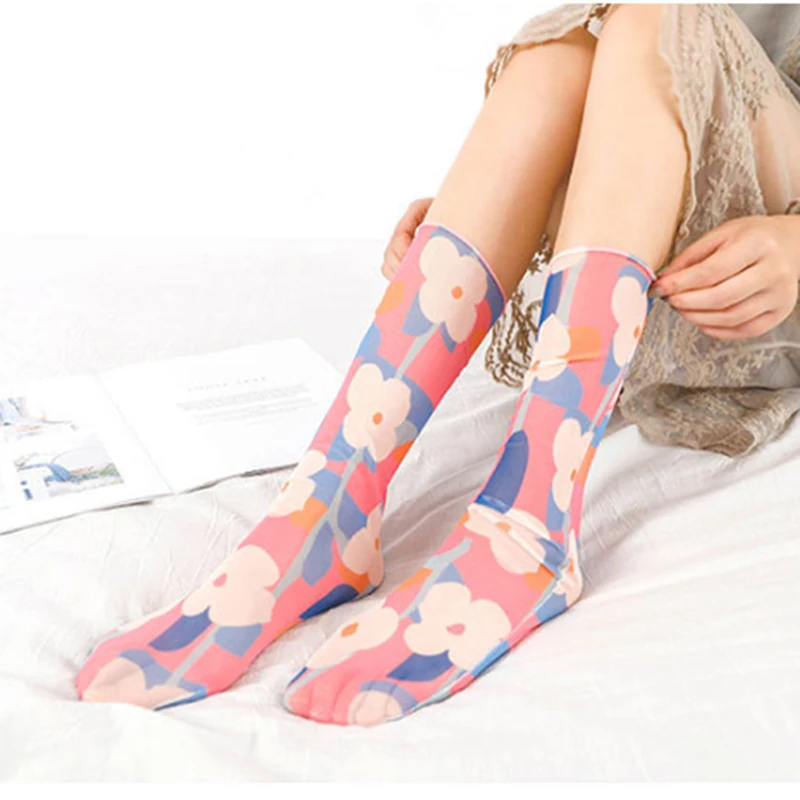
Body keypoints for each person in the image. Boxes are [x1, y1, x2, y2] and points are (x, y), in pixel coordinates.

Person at [75, 3, 800, 725]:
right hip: (664, 262)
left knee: (656, 16)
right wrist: (494, 200)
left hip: (761, 293)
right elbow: (641, 100)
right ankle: (326, 507)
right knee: (568, 49)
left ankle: (529, 526)